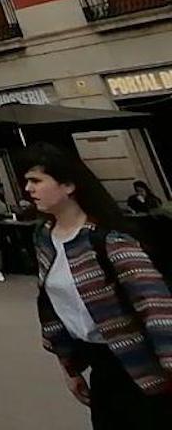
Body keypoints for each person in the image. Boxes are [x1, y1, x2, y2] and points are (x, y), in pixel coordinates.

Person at [24, 143, 172, 427]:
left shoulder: (108, 240)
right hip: (101, 365)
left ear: (68, 186)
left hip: (142, 365)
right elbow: (50, 307)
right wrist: (69, 367)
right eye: (27, 181)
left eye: (37, 181)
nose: (29, 189)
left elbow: (156, 306)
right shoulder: (44, 238)